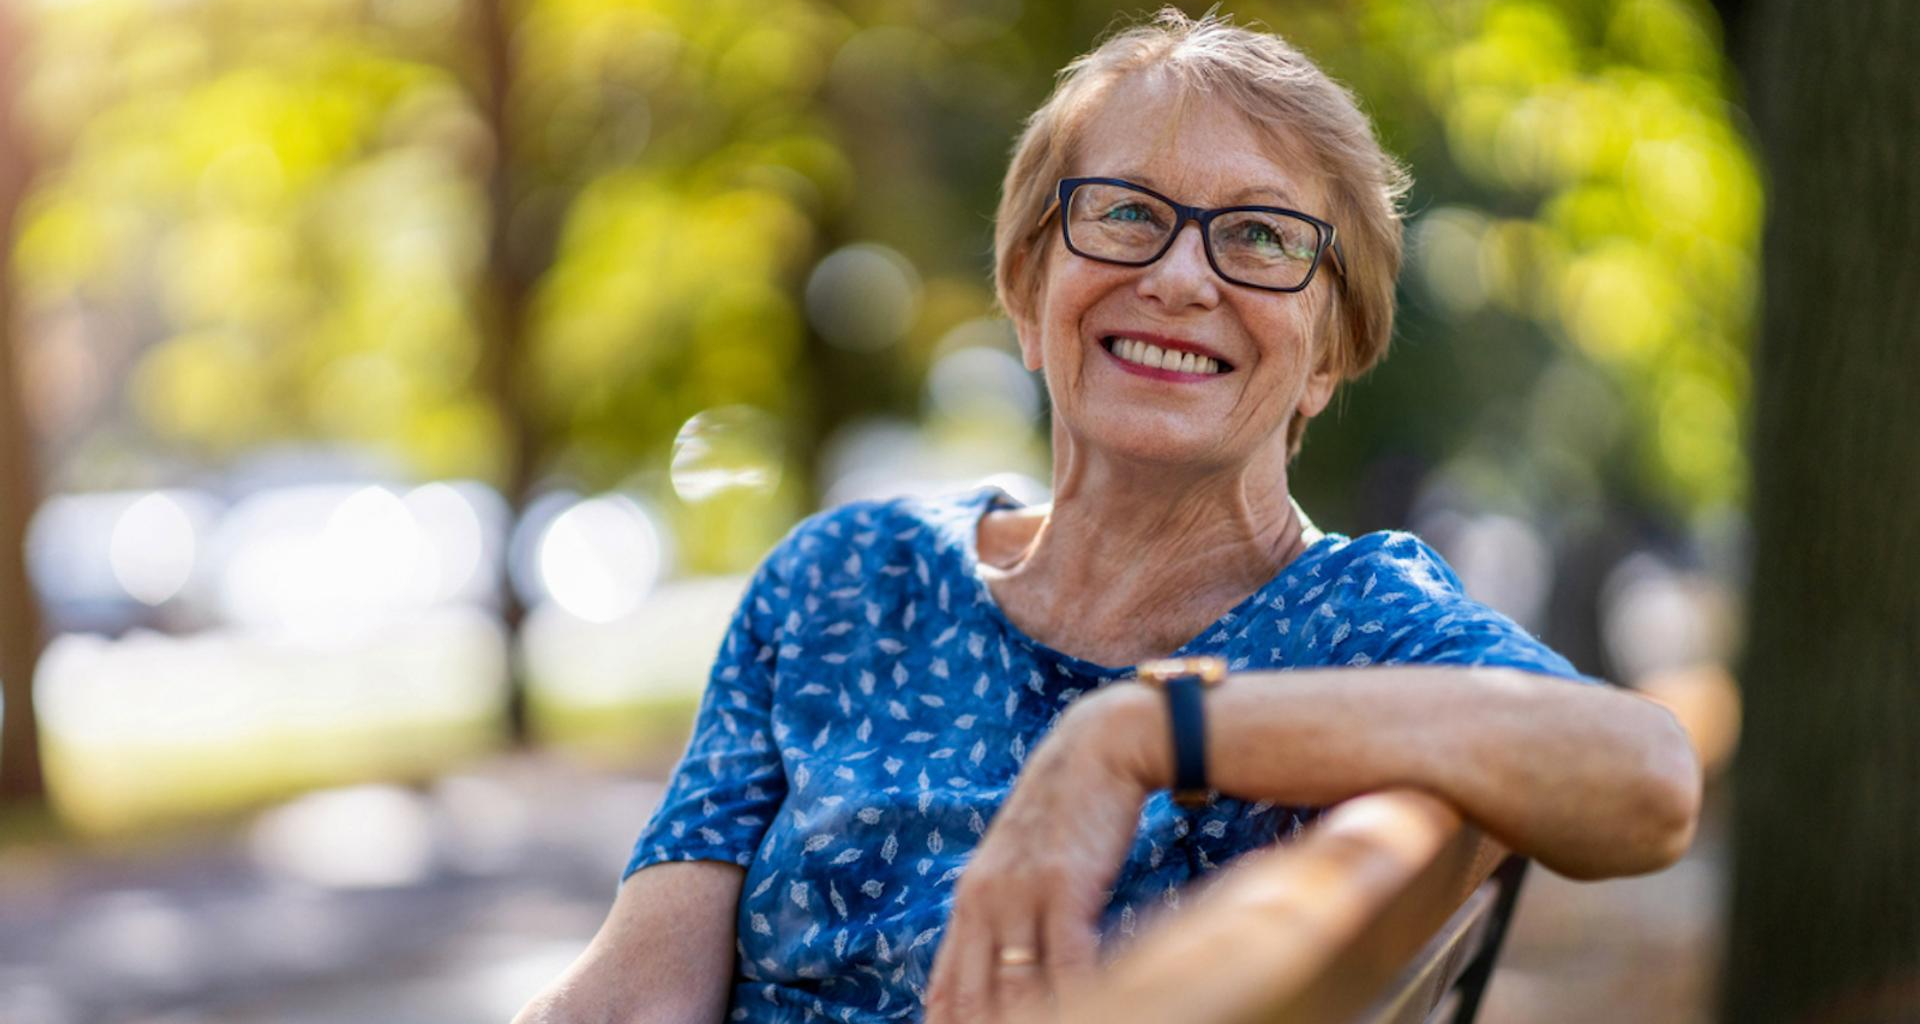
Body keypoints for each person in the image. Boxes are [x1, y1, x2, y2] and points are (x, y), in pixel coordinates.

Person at [513, 9, 1701, 1024]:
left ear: (1332, 351)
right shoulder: (843, 577)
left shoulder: (1357, 618)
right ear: (1028, 297)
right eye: (1125, 213)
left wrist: (1141, 733)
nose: (1183, 277)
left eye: (1260, 236)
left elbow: (1647, 777)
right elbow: (636, 989)